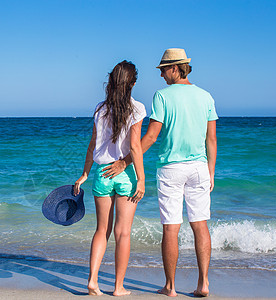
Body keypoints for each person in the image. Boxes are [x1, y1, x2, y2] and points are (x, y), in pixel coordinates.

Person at [102, 48, 218, 297]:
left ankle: (171, 287)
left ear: (175, 68)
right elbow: (211, 139)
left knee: (171, 228)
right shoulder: (206, 96)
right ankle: (204, 284)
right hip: (199, 168)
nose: (162, 75)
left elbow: (152, 136)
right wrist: (211, 171)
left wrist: (125, 162)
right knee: (200, 225)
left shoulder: (162, 96)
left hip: (171, 168)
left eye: (164, 70)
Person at [73, 60, 146, 296]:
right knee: (123, 232)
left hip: (102, 173)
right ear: (133, 83)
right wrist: (142, 180)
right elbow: (135, 146)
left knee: (101, 230)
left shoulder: (100, 109)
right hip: (125, 175)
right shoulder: (137, 108)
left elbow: (92, 144)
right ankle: (118, 287)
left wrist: (85, 173)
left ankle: (93, 280)